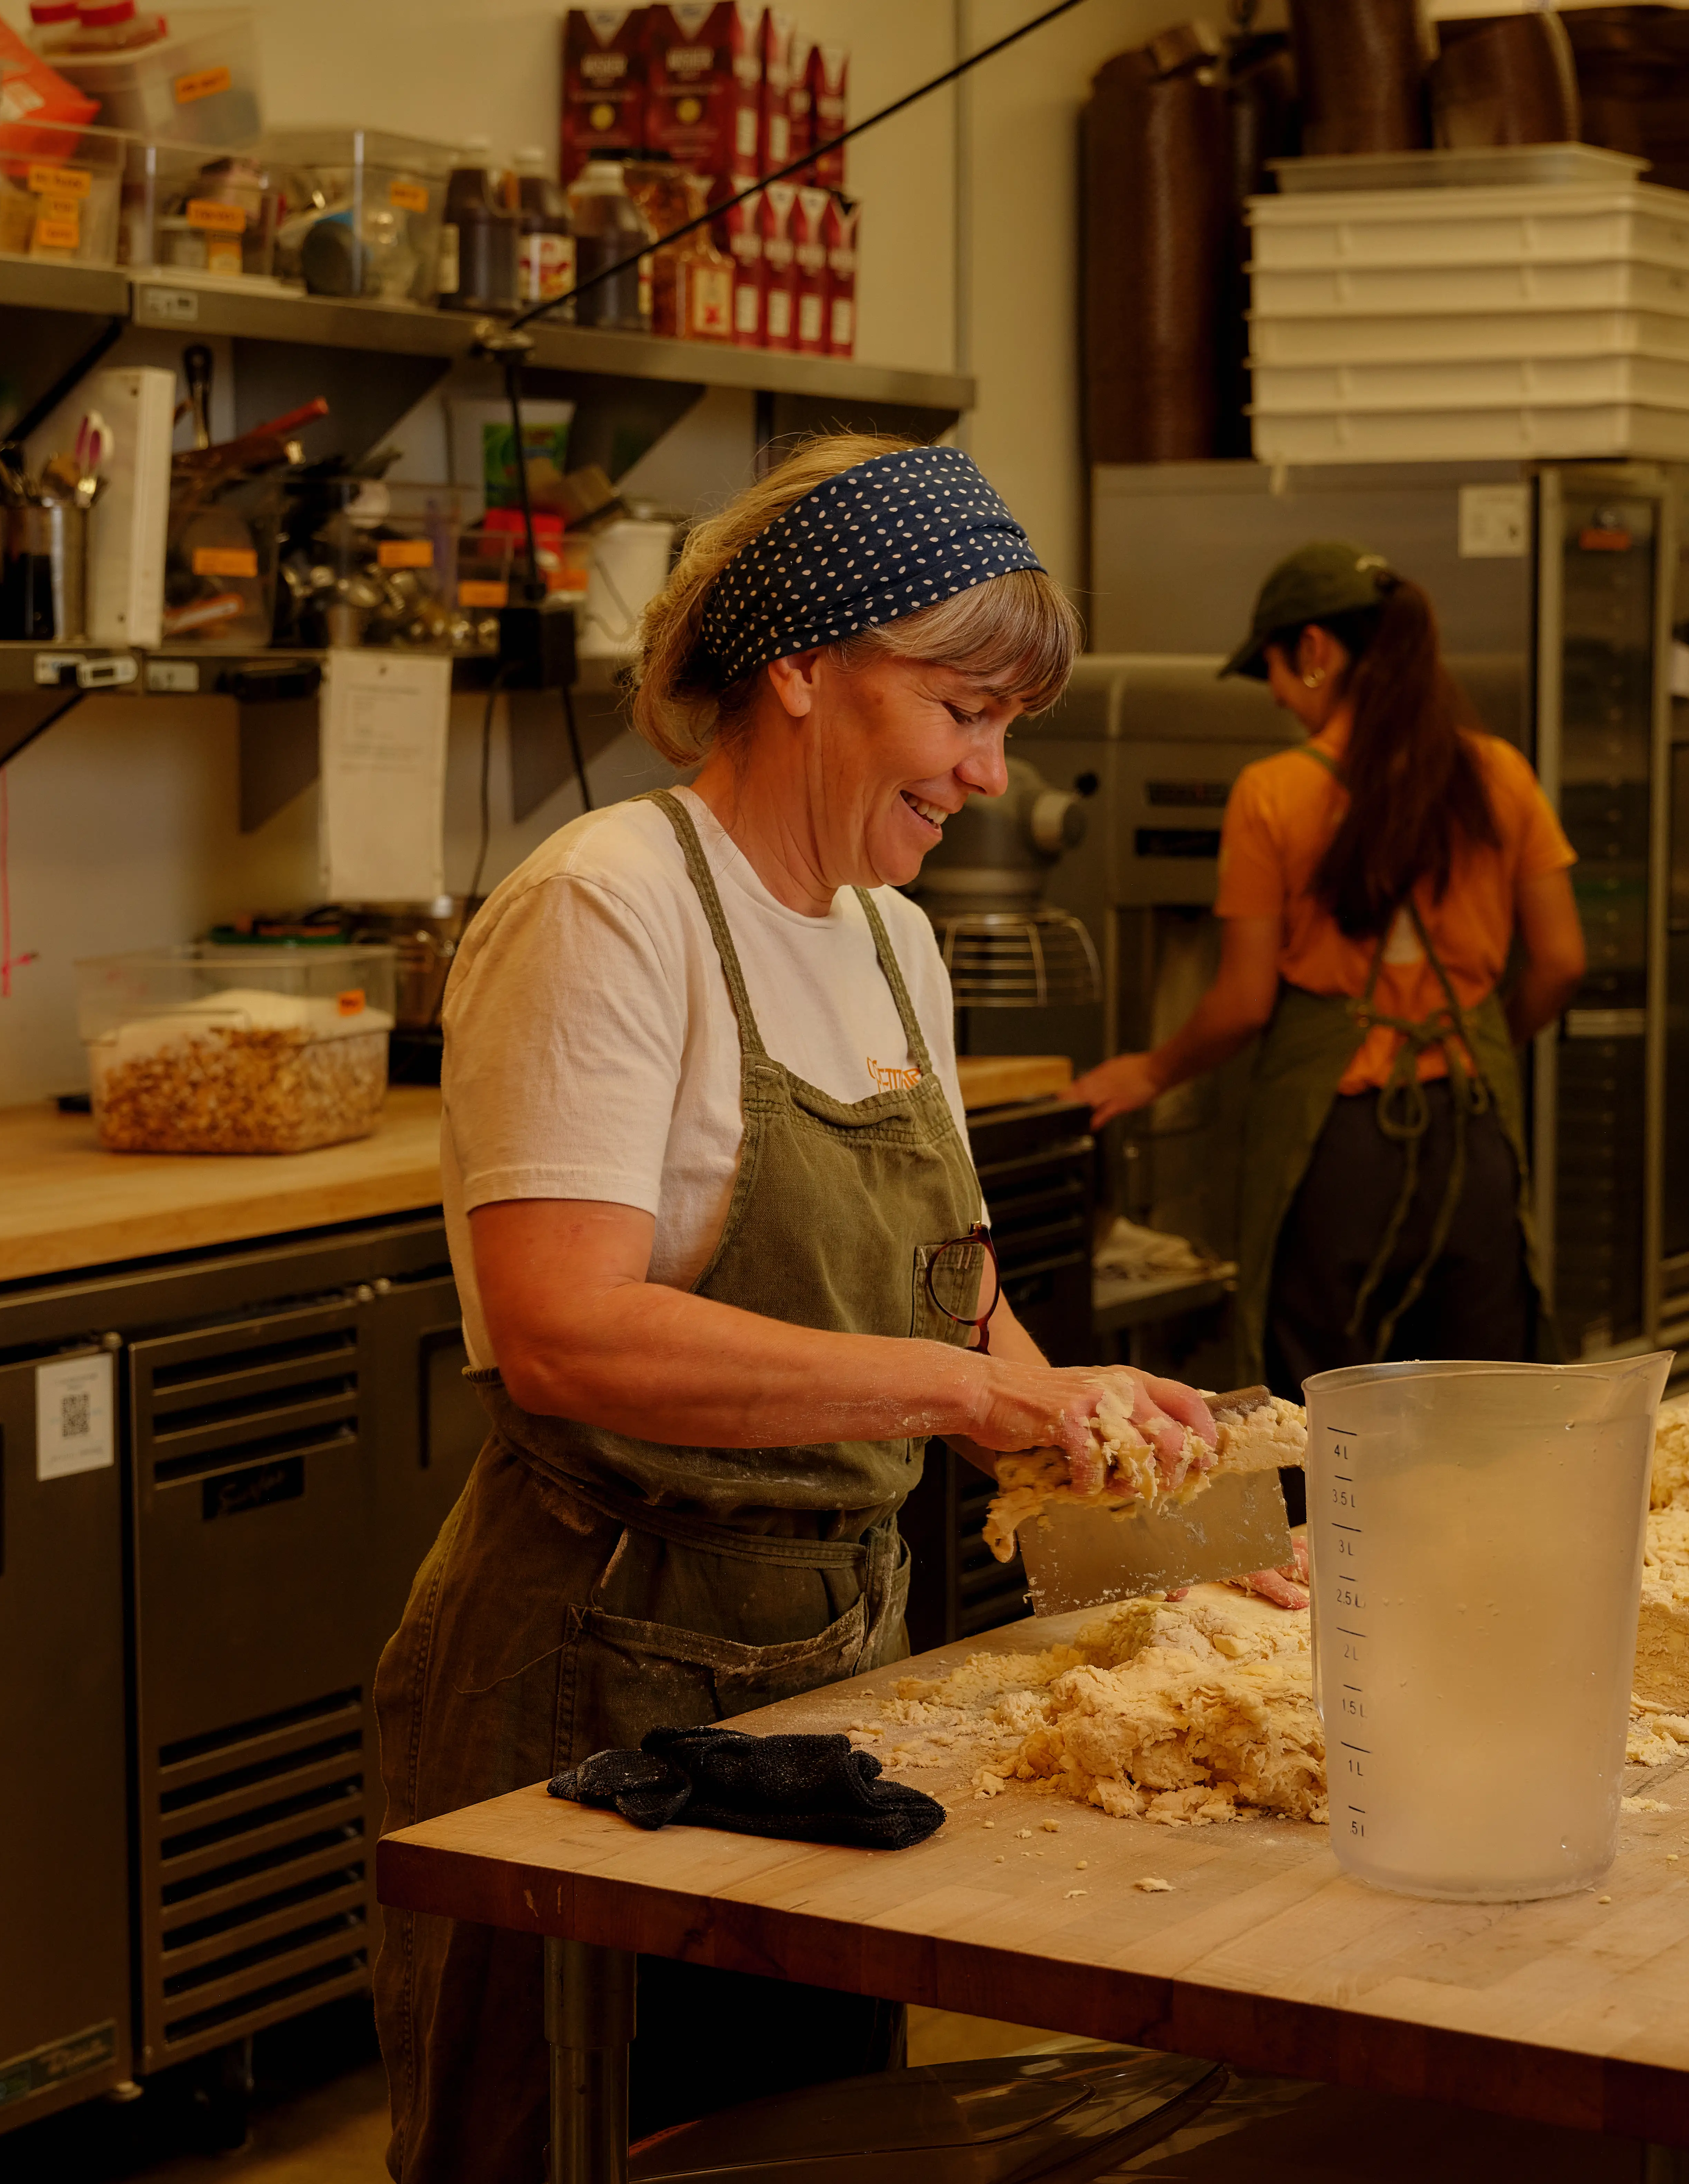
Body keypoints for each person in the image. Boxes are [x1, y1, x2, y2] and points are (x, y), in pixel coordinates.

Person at [375, 435, 1220, 2184]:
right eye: (961, 711)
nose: (990, 773)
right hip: (598, 1660)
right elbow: (562, 1329)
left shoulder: (891, 939)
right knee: (572, 2145)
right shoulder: (612, 904)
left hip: (838, 1661)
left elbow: (957, 1303)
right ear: (805, 669)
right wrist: (966, 1398)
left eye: (1006, 725)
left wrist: (1142, 1498)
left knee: (805, 2144)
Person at [1068, 542, 1586, 1388]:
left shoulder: (1273, 793)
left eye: (1270, 668)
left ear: (1314, 650)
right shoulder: (1501, 774)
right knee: (1486, 1398)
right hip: (1474, 1131)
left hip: (1337, 1148)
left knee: (1326, 1408)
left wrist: (1152, 1071)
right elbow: (1561, 962)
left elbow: (1244, 1000)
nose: (1275, 694)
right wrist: (1481, 1042)